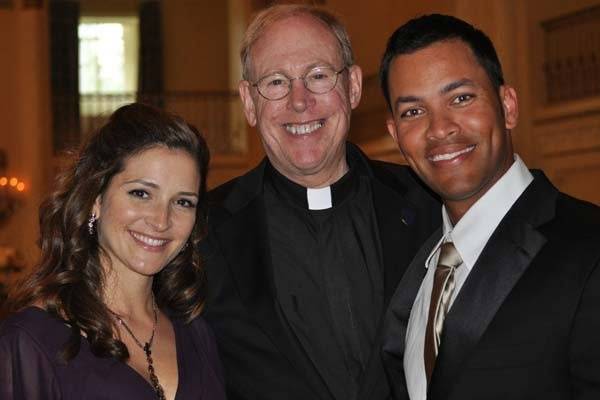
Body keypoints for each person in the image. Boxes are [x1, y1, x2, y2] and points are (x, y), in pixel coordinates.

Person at [201, 4, 439, 400]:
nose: (299, 101)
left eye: (318, 76)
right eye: (276, 82)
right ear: (248, 101)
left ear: (353, 87)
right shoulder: (203, 233)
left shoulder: (432, 205)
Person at [379, 14, 600, 400]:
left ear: (507, 105)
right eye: (413, 111)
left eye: (460, 98)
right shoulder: (417, 265)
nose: (440, 128)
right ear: (396, 136)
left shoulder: (589, 248)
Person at [0, 103, 226, 400]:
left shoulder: (197, 334)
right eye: (141, 193)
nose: (161, 220)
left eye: (183, 202)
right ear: (96, 198)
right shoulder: (30, 342)